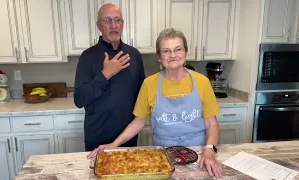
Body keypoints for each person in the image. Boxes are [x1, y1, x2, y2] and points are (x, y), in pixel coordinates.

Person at [87, 27, 223, 178]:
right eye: (166, 51)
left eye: (178, 49)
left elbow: (212, 124)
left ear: (185, 52)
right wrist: (113, 145)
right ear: (159, 56)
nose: (173, 55)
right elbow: (138, 122)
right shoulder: (149, 84)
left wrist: (210, 149)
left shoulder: (202, 82)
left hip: (200, 153)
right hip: (162, 157)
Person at [73, 3, 145, 151]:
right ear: (99, 26)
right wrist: (105, 74)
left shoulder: (134, 55)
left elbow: (141, 96)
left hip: (128, 137)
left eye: (117, 20)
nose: (113, 25)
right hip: (97, 137)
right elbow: (80, 99)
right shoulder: (87, 57)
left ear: (122, 24)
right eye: (107, 20)